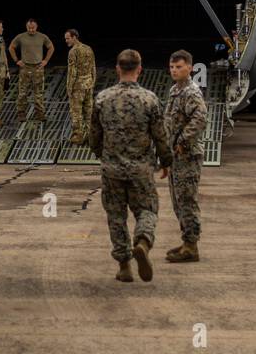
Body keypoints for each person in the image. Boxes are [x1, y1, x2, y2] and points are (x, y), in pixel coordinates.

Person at [89, 48, 172, 283]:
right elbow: (160, 136)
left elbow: (94, 135)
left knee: (116, 216)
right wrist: (166, 161)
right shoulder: (149, 99)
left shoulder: (102, 98)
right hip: (141, 169)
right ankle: (143, 242)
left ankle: (124, 266)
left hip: (112, 169)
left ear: (118, 69)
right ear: (140, 70)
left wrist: (103, 156)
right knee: (147, 210)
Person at [163, 50, 208, 262]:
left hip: (187, 155)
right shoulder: (175, 90)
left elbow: (199, 119)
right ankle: (187, 242)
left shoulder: (191, 92)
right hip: (176, 156)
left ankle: (192, 246)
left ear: (189, 68)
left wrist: (182, 142)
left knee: (187, 201)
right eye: (172, 67)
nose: (174, 70)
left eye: (179, 67)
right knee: (178, 202)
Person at [8, 18, 54, 123]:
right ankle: (21, 113)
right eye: (29, 28)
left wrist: (46, 60)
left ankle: (40, 114)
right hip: (25, 67)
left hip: (38, 68)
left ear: (36, 27)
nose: (31, 30)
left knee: (39, 92)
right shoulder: (21, 37)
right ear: (26, 27)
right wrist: (16, 60)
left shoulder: (42, 37)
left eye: (33, 28)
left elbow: (51, 47)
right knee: (22, 92)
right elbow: (11, 47)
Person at [64, 28, 96, 145]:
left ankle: (78, 137)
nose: (66, 41)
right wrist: (92, 82)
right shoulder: (88, 49)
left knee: (76, 112)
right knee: (89, 112)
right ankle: (91, 137)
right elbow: (93, 67)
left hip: (77, 86)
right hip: (88, 84)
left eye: (68, 38)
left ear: (74, 37)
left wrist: (69, 87)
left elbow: (72, 72)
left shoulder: (73, 52)